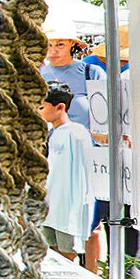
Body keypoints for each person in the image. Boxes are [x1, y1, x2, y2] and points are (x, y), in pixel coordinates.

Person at [40, 82, 96, 260]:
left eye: (42, 106)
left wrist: (78, 210)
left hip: (69, 209)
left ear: (60, 107)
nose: (38, 111)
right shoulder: (50, 133)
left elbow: (83, 176)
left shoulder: (76, 134)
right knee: (51, 253)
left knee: (67, 254)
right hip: (50, 206)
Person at [39, 23, 106, 129]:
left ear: (72, 44)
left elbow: (106, 109)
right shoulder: (37, 75)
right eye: (48, 45)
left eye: (60, 45)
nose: (53, 51)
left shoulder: (91, 72)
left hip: (87, 142)